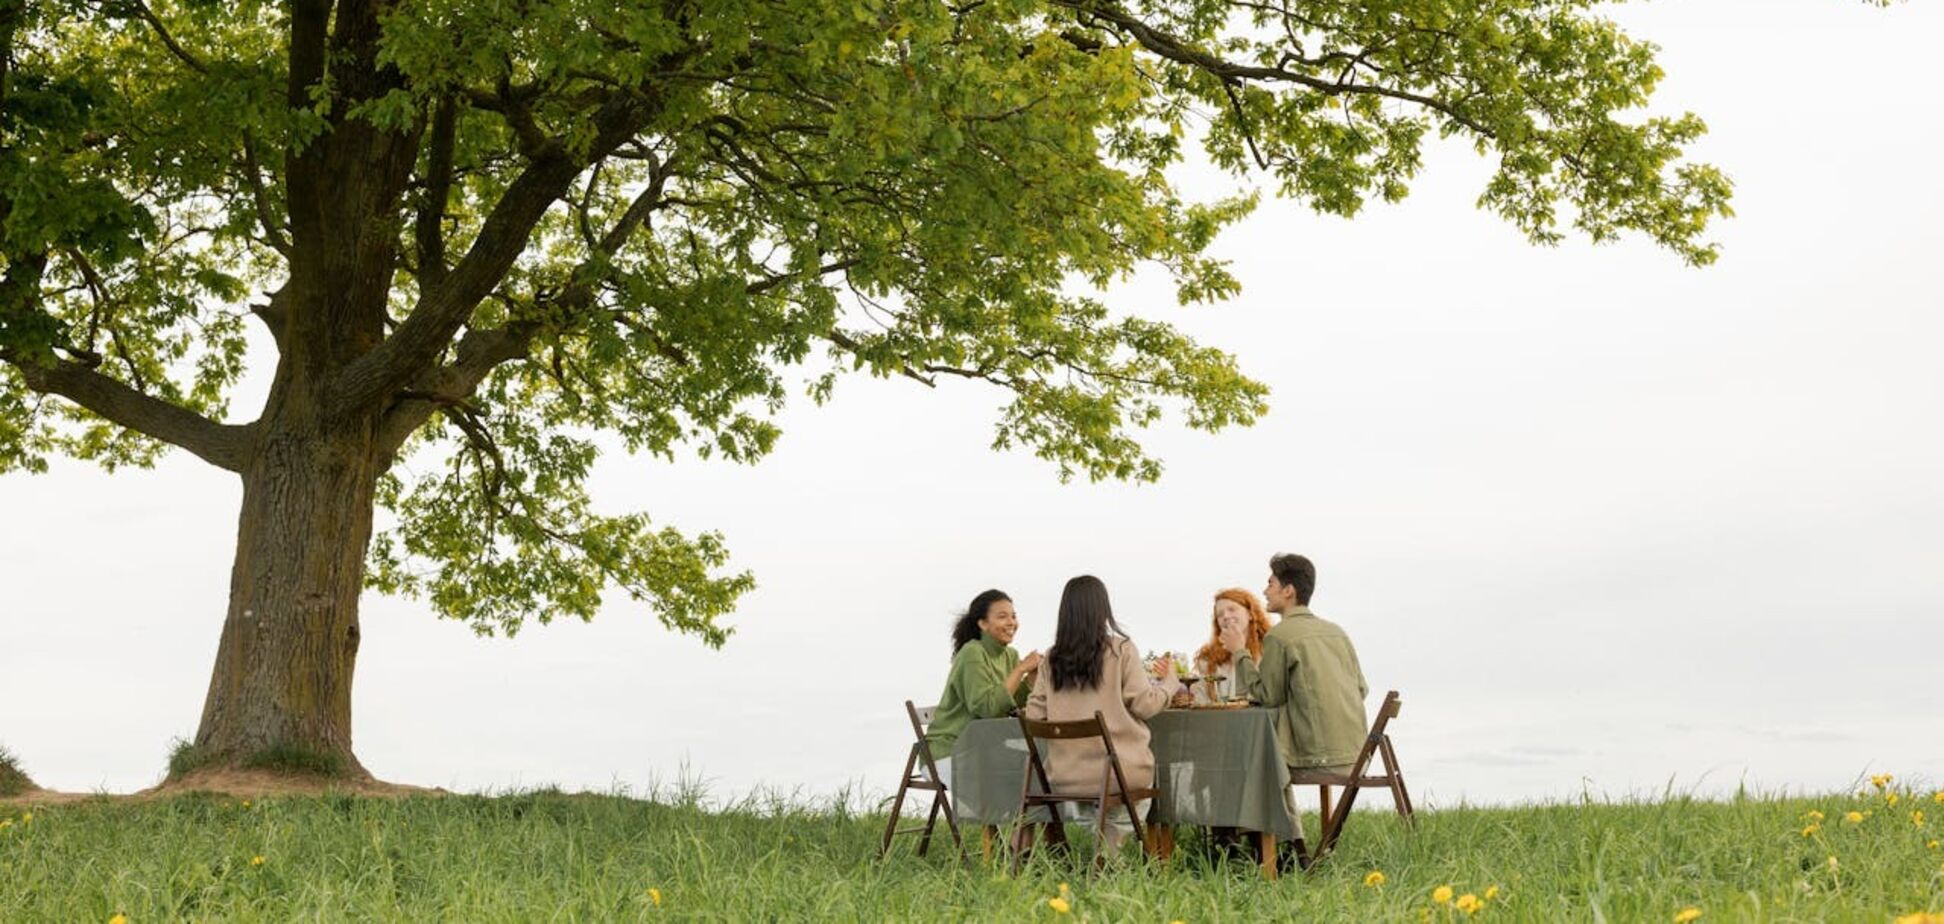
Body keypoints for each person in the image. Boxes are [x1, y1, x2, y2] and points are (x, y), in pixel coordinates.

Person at [1219, 554, 1369, 851]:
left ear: (1288, 591)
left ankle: (1282, 849)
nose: (1264, 590)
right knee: (1268, 749)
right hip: (1356, 753)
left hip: (1318, 755)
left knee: (1261, 758)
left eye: (1270, 583)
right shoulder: (1337, 632)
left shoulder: (1280, 636)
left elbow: (1267, 696)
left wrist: (1240, 652)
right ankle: (1280, 847)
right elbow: (1361, 689)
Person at [1025, 575, 1180, 852]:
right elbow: (1145, 705)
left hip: (1065, 775)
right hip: (1119, 773)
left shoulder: (1051, 658)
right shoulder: (1121, 650)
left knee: (1099, 795)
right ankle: (1110, 850)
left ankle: (1101, 847)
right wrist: (1170, 684)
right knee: (1138, 786)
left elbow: (1034, 716)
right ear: (1103, 609)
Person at [924, 589, 1043, 779]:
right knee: (1020, 776)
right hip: (950, 751)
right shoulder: (972, 653)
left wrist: (1031, 679)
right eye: (1002, 617)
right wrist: (1020, 670)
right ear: (983, 624)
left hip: (986, 749)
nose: (1011, 622)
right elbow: (987, 708)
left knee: (1039, 768)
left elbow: (1012, 703)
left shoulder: (1010, 655)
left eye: (1013, 616)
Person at [1192, 588, 1273, 704]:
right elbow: (1201, 700)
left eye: (1232, 609)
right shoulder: (1207, 659)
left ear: (1250, 614)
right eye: (1219, 614)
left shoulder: (1270, 649)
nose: (1225, 616)